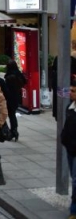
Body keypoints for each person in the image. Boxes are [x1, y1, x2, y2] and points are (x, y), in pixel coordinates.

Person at [60, 80, 76, 219]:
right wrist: (64, 139)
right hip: (70, 148)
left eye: (73, 91)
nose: (70, 93)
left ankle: (74, 210)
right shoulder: (70, 107)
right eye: (70, 90)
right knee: (74, 178)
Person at [4, 60, 27, 141]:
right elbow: (25, 81)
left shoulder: (9, 76)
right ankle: (14, 130)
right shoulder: (18, 74)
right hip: (16, 97)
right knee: (12, 115)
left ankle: (12, 131)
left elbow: (6, 88)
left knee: (9, 115)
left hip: (9, 98)